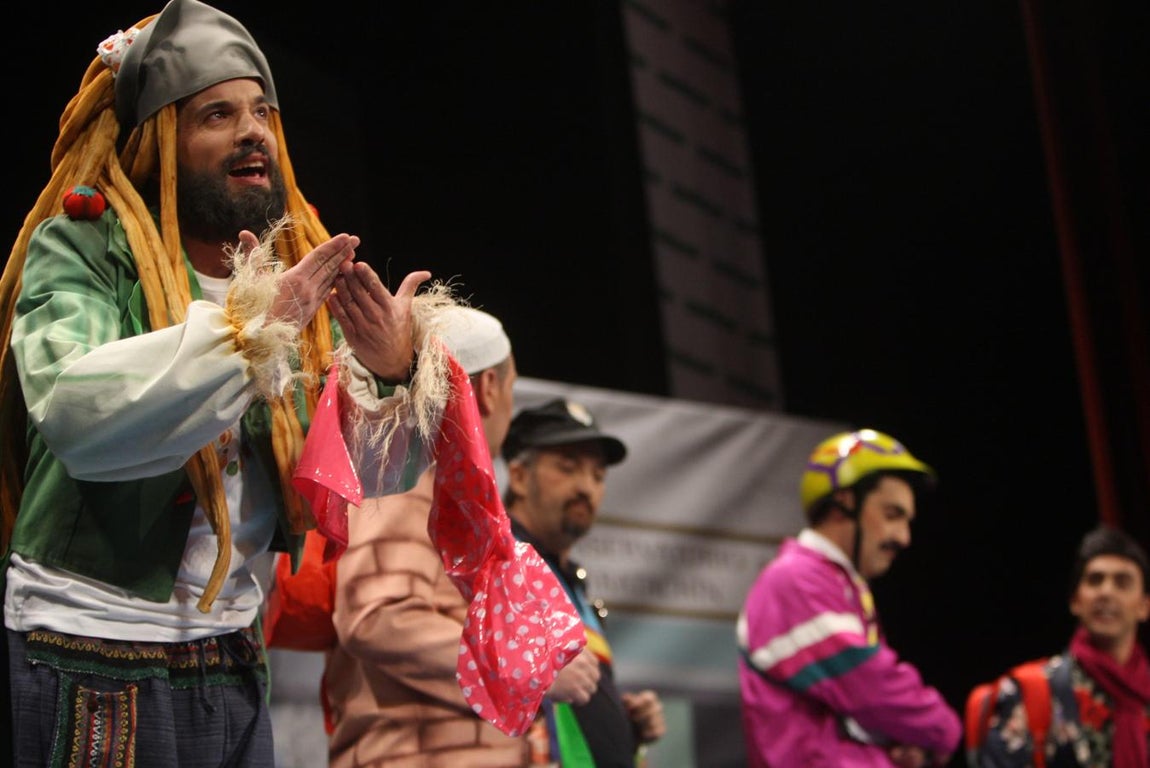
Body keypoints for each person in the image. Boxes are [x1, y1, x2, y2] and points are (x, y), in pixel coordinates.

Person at [0, 1, 432, 765]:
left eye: (263, 111)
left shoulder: (292, 272)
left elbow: (359, 480)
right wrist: (248, 336)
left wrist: (392, 374)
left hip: (232, 651)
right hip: (93, 642)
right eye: (217, 114)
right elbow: (78, 413)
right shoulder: (83, 245)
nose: (253, 131)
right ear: (161, 138)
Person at [321, 306, 601, 767]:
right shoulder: (411, 475)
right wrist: (528, 669)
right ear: (491, 388)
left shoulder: (445, 482)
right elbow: (376, 616)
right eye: (512, 387)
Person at [737, 428, 962, 767]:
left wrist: (895, 743)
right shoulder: (796, 578)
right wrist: (943, 729)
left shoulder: (836, 584)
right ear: (844, 502)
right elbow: (871, 687)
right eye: (892, 515)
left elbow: (851, 707)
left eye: (907, 521)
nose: (904, 538)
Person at [501, 398, 666, 768]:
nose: (586, 487)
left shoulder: (573, 581)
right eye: (568, 467)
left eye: (597, 476)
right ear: (520, 477)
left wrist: (627, 724)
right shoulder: (496, 559)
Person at [970, 525, 1150, 767]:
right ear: (1075, 600)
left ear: (1144, 606)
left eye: (1122, 582)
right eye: (1095, 580)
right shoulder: (1028, 692)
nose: (1106, 592)